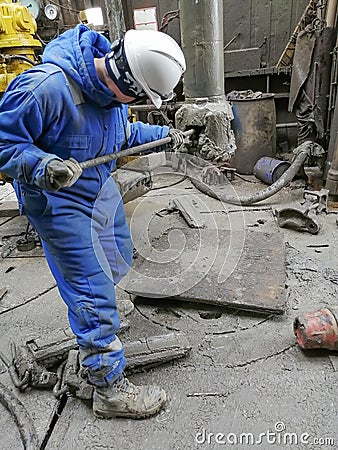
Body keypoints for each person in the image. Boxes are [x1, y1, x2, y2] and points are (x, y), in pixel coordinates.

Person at [0, 24, 186, 419]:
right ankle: (108, 386)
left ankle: (100, 318)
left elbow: (124, 134)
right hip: (57, 201)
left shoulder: (111, 94)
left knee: (117, 255)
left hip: (97, 190)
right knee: (91, 284)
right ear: (129, 81)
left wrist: (169, 135)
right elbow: (4, 143)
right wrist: (43, 165)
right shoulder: (45, 89)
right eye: (140, 96)